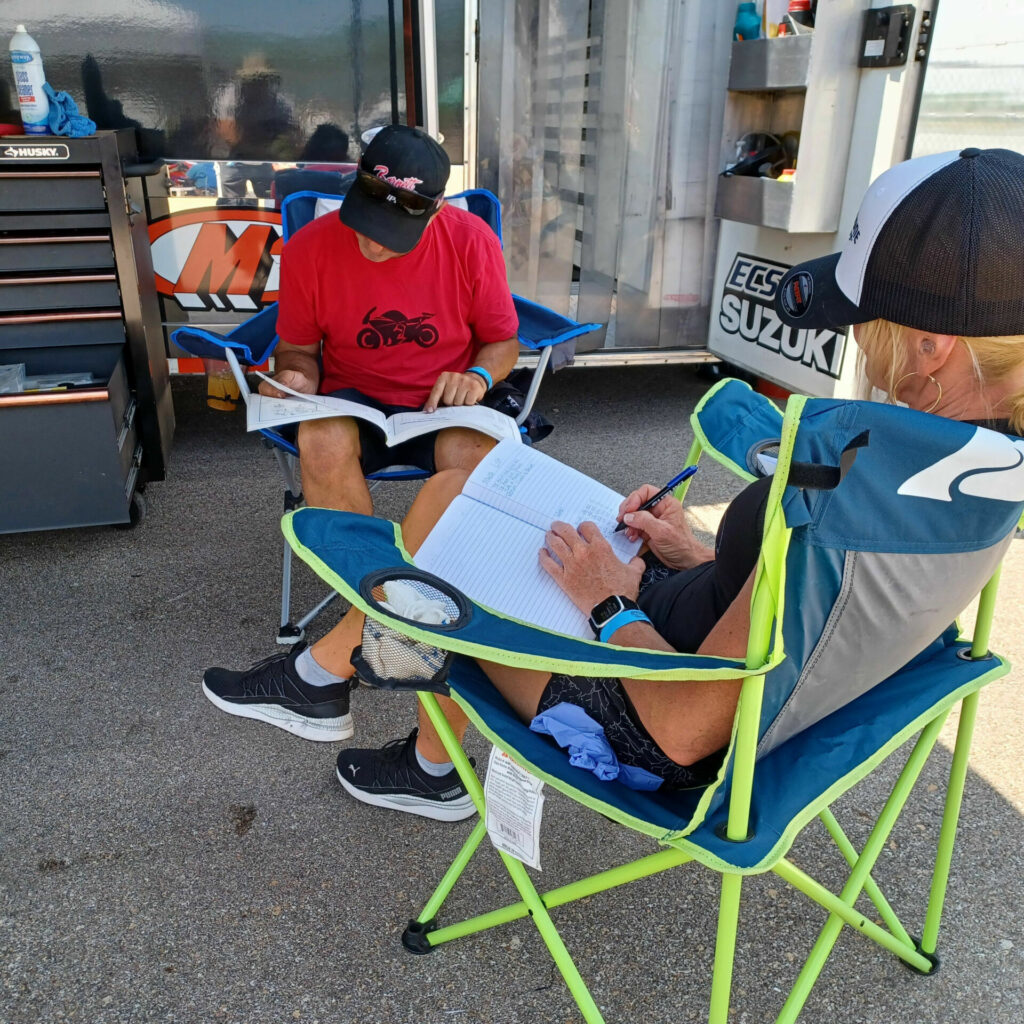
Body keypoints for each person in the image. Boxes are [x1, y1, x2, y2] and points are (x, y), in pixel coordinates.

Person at [315, 146, 1024, 821]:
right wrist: (692, 555)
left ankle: (332, 689)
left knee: (444, 537)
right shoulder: (970, 470)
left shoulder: (850, 484)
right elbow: (812, 615)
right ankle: (364, 714)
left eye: (861, 320)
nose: (858, 342)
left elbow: (681, 728)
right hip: (716, 655)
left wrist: (607, 606)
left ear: (931, 349)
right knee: (457, 495)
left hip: (645, 711)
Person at [202, 124, 520, 742]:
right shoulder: (313, 247)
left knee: (478, 466)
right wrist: (292, 375)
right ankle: (372, 621)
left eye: (393, 236)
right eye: (365, 225)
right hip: (352, 395)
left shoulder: (468, 238)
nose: (373, 247)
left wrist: (478, 375)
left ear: (432, 215)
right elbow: (297, 348)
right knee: (319, 437)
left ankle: (352, 647)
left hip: (443, 396)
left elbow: (503, 339)